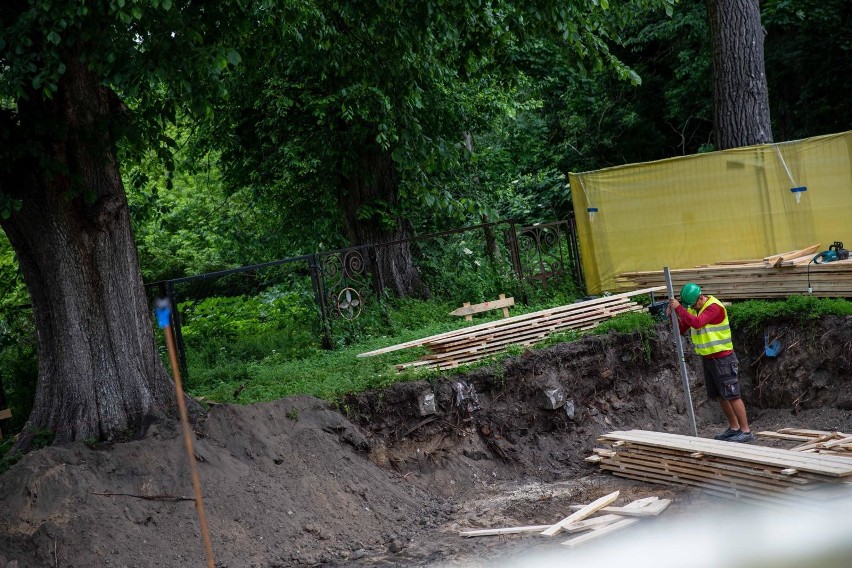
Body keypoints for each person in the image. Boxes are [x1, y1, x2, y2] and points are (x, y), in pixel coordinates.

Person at [669, 282, 753, 443]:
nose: (691, 307)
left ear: (701, 298)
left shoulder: (714, 308)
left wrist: (679, 308)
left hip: (723, 358)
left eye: (693, 304)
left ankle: (746, 431)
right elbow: (680, 329)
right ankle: (734, 428)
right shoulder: (695, 308)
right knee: (721, 395)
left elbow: (698, 323)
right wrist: (671, 315)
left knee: (733, 395)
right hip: (709, 359)